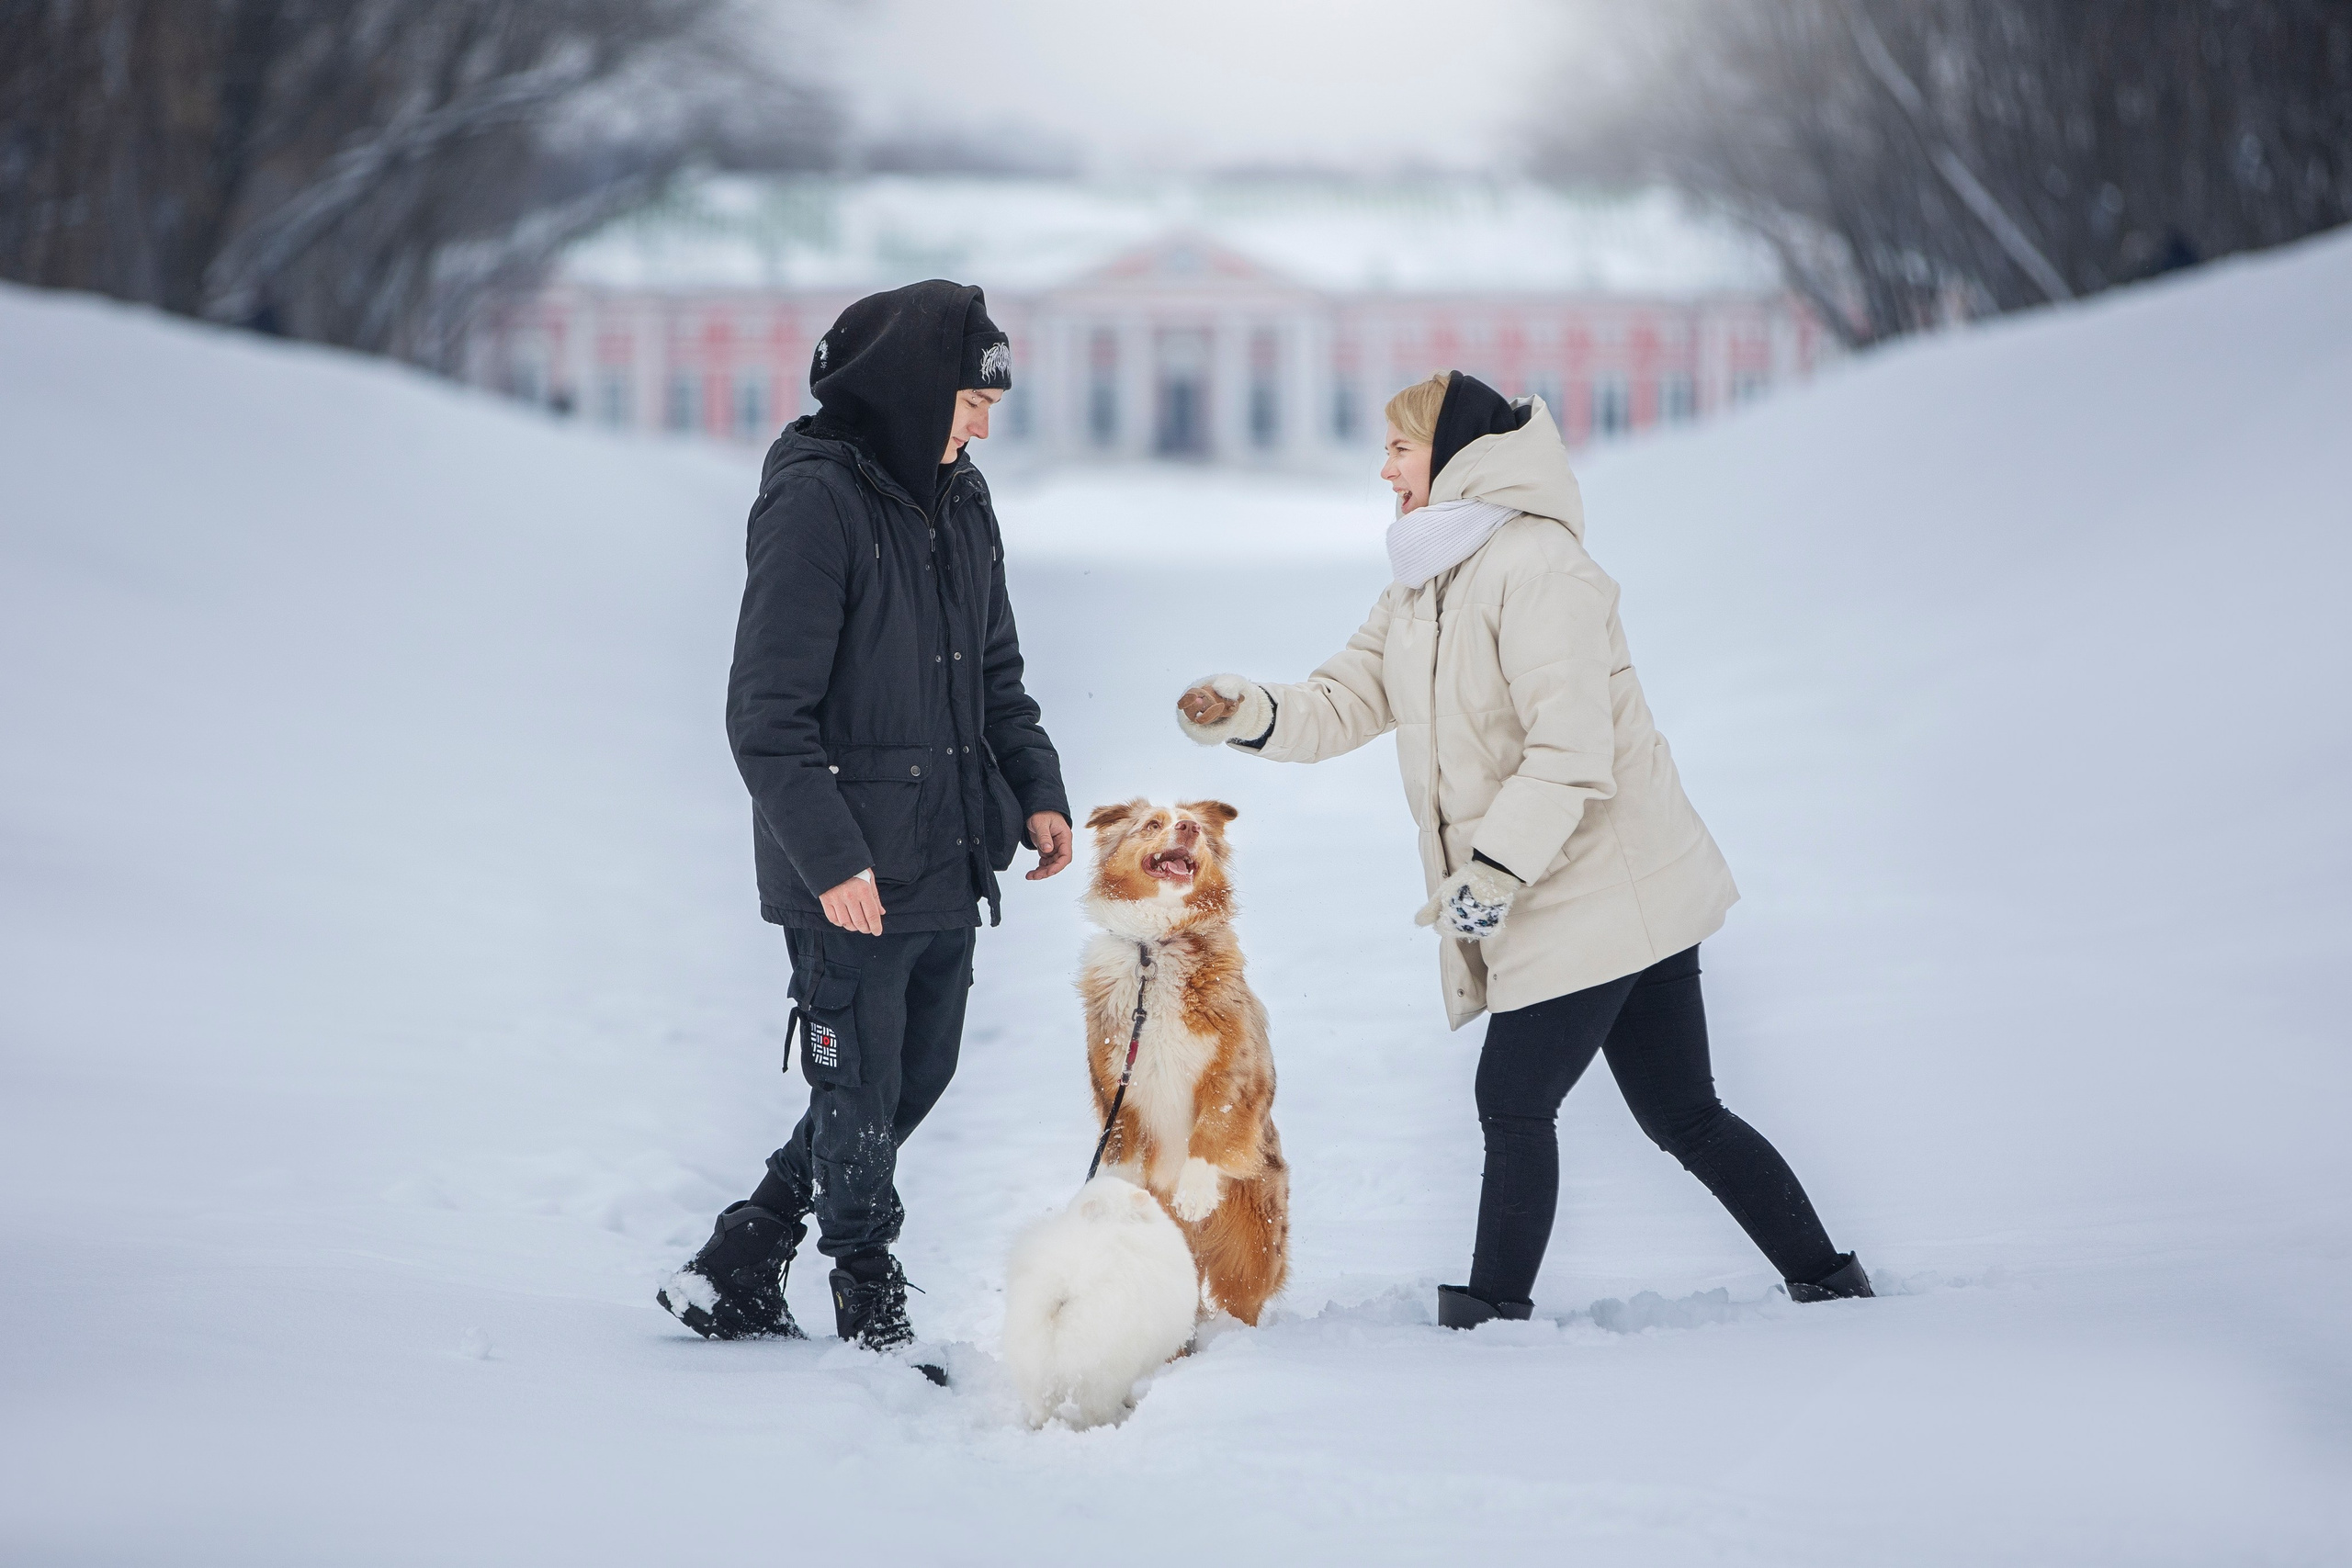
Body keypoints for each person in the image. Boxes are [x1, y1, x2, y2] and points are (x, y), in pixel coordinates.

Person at [1174, 371, 1871, 1327]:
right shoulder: (1425, 577)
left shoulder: (1538, 567)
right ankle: (1829, 1281)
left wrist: (1493, 873)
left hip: (1598, 882)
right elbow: (1345, 698)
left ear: (1454, 455)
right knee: (1682, 1115)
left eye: (1398, 449)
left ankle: (1491, 1314)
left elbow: (1570, 751)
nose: (1383, 469)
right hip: (1576, 886)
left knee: (1513, 1094)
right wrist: (1244, 710)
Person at [660, 281, 1074, 1358]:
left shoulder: (962, 497)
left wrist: (1036, 789)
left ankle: (742, 1255)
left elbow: (995, 672)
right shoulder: (815, 502)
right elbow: (764, 715)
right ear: (907, 389)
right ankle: (865, 1288)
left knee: (911, 1076)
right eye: (970, 401)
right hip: (845, 865)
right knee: (856, 1079)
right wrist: (831, 859)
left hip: (942, 849)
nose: (984, 423)